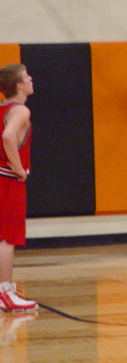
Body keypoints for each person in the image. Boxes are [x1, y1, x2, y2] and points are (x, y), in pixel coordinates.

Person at [0, 63, 38, 311]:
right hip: (7, 180)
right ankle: (5, 292)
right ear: (19, 85)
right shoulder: (21, 110)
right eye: (26, 76)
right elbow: (8, 136)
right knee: (6, 238)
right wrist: (18, 168)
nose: (31, 78)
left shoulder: (2, 108)